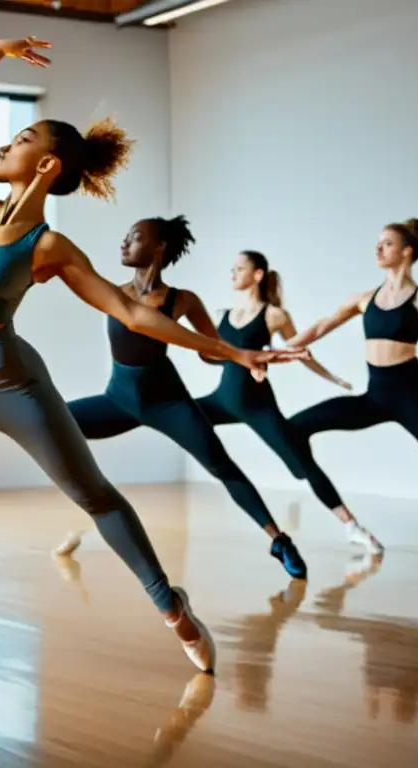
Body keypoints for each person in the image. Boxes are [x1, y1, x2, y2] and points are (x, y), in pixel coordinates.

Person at [0, 36, 305, 670]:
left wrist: (222, 347)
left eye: (22, 138)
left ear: (48, 166)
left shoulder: (48, 246)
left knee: (95, 495)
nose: (4, 145)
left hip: (13, 387)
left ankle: (171, 606)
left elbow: (132, 311)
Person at [52, 217, 309, 578]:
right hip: (119, 399)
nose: (124, 243)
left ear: (159, 246)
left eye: (135, 237)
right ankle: (86, 515)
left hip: (169, 402)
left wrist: (246, 355)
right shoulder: (113, 292)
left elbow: (210, 349)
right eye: (126, 236)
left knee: (222, 465)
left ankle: (279, 540)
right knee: (51, 423)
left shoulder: (183, 300)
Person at [193, 250, 383, 553]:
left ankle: (352, 526)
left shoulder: (274, 315)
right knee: (176, 412)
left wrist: (332, 377)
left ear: (257, 275)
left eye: (239, 268)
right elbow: (216, 358)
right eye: (232, 268)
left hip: (259, 407)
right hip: (222, 400)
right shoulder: (222, 315)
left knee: (302, 465)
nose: (233, 273)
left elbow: (298, 352)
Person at [288, 219, 418, 514]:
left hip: (415, 400)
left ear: (407, 251)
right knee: (295, 426)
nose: (378, 248)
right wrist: (275, 350)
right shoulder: (365, 299)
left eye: (387, 243)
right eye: (379, 242)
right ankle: (303, 473)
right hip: (375, 398)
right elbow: (322, 325)